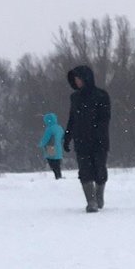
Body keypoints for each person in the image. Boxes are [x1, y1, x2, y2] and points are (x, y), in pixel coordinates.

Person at [63, 63, 111, 212]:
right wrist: (67, 137)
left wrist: (97, 132)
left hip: (99, 140)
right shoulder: (75, 97)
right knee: (85, 171)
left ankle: (99, 196)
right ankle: (91, 201)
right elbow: (72, 119)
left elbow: (105, 118)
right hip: (81, 141)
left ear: (86, 78)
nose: (76, 81)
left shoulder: (102, 95)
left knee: (99, 170)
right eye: (75, 79)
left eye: (78, 78)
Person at [38, 111, 66, 179]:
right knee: (57, 164)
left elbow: (46, 139)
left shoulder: (49, 129)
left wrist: (41, 144)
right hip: (59, 149)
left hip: (51, 147)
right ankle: (59, 176)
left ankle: (57, 176)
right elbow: (63, 137)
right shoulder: (59, 128)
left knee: (52, 163)